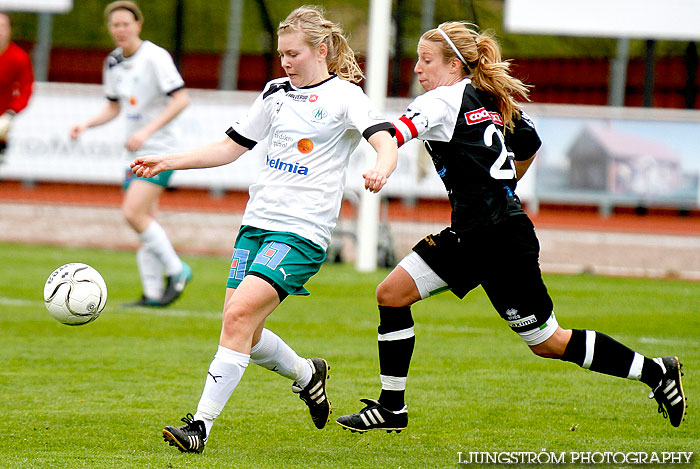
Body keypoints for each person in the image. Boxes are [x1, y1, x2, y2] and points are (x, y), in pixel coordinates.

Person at [336, 22, 686, 433]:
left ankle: (656, 371)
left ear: (454, 64)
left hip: (500, 241)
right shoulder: (492, 98)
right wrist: (501, 188)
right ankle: (392, 409)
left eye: (425, 60)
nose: (417, 69)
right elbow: (529, 145)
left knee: (549, 342)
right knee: (392, 294)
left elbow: (395, 135)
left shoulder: (441, 101)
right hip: (473, 234)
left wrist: (380, 165)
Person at [130, 5, 397, 453]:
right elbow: (229, 147)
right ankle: (307, 374)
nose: (286, 63)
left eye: (293, 54)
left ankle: (200, 427)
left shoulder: (346, 97)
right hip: (256, 225)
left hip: (302, 232)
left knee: (235, 318)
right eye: (281, 55)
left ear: (322, 50)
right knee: (244, 332)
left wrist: (382, 167)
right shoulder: (275, 92)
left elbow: (384, 139)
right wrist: (168, 160)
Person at [70, 1, 192, 307]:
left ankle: (178, 269)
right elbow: (114, 106)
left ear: (138, 25)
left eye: (126, 24)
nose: (120, 30)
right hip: (135, 151)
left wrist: (147, 130)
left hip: (161, 149)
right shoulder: (113, 62)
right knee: (146, 218)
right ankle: (152, 294)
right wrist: (86, 123)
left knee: (132, 213)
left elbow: (181, 99)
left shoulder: (155, 56)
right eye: (115, 25)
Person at [0, 11, 34, 161]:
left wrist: (10, 114)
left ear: (10, 30)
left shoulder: (19, 57)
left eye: (3, 27)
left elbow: (26, 88)